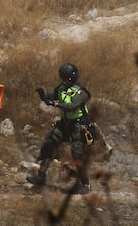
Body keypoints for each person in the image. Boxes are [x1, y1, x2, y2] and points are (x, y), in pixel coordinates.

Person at [26, 63, 92, 194]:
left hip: (78, 126)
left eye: (66, 79)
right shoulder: (61, 88)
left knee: (77, 154)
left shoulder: (81, 92)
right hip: (65, 124)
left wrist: (55, 103)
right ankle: (40, 177)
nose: (64, 82)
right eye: (63, 79)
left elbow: (72, 106)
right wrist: (43, 95)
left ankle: (86, 185)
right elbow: (51, 96)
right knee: (49, 145)